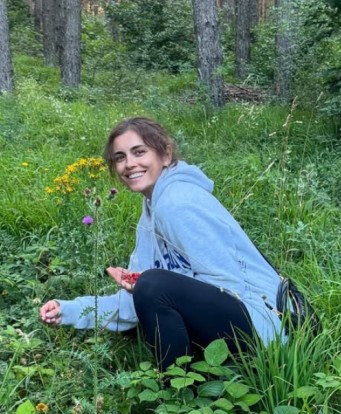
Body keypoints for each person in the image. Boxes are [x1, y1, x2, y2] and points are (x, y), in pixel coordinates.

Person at [40, 117, 283, 368]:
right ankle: (185, 386)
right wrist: (68, 310)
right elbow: (137, 301)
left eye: (139, 152)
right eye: (120, 157)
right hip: (239, 323)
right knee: (149, 286)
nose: (129, 164)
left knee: (152, 285)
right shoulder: (151, 211)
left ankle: (177, 395)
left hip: (267, 329)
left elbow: (229, 288)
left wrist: (153, 288)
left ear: (165, 155)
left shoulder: (177, 203)